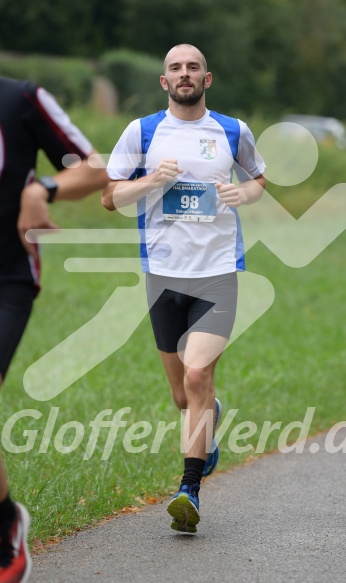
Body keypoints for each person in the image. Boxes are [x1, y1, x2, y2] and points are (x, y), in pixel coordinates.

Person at [102, 44, 266, 534]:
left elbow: (259, 179)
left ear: (207, 78)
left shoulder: (232, 131)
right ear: (164, 81)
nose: (184, 74)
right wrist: (151, 179)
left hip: (217, 272)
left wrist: (245, 193)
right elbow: (110, 197)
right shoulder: (143, 131)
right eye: (175, 67)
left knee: (197, 377)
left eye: (193, 67)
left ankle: (188, 490)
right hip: (164, 276)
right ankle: (209, 418)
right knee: (182, 396)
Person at [0, 76, 108, 582]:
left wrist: (41, 188)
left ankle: (4, 534)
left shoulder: (21, 99)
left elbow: (96, 167)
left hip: (8, 276)